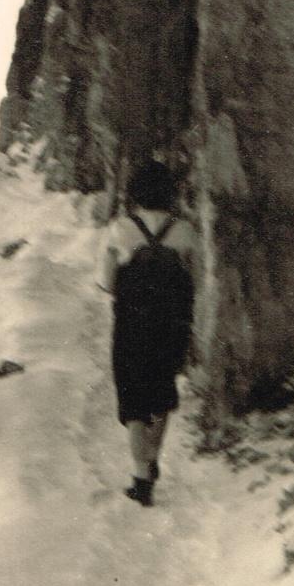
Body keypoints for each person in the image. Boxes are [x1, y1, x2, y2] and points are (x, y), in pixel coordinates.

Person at [97, 160, 197, 507]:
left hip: (131, 323)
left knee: (134, 397)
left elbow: (106, 282)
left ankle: (141, 476)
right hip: (170, 323)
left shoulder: (121, 228)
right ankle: (153, 457)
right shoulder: (184, 230)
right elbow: (195, 278)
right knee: (162, 391)